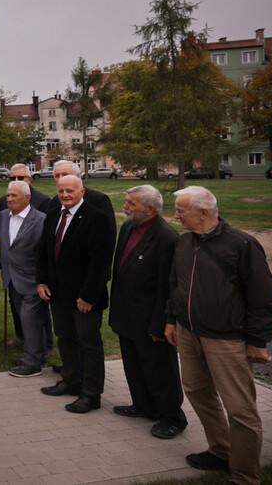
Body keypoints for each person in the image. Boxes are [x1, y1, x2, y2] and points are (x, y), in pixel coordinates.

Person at [166, 186, 272, 484]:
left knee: (240, 409)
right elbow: (175, 285)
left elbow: (264, 298)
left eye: (180, 210)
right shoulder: (184, 242)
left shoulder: (241, 244)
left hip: (227, 339)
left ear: (203, 212)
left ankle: (245, 474)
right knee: (197, 391)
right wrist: (171, 320)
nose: (176, 216)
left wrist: (257, 341)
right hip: (188, 332)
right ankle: (221, 451)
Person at [110, 185, 187, 438]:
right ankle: (144, 405)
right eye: (126, 201)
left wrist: (161, 323)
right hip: (126, 313)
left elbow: (167, 286)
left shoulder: (166, 237)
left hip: (150, 317)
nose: (125, 206)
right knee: (133, 365)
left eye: (131, 203)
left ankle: (173, 418)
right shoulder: (128, 227)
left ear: (150, 209)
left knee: (160, 371)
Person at [37, 174, 113, 414]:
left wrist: (89, 296)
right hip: (58, 293)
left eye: (70, 190)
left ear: (82, 192)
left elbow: (100, 262)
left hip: (84, 297)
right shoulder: (53, 214)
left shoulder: (96, 218)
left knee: (89, 344)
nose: (65, 195)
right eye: (61, 191)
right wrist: (42, 281)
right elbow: (44, 251)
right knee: (65, 338)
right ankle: (70, 381)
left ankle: (91, 394)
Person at [0, 180, 48, 377]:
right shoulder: (3, 216)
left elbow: (44, 253)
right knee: (27, 321)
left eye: (14, 196)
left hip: (33, 280)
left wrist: (42, 279)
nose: (9, 199)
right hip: (12, 278)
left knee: (30, 320)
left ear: (27, 198)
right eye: (8, 195)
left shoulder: (41, 220)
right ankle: (39, 355)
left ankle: (33, 363)